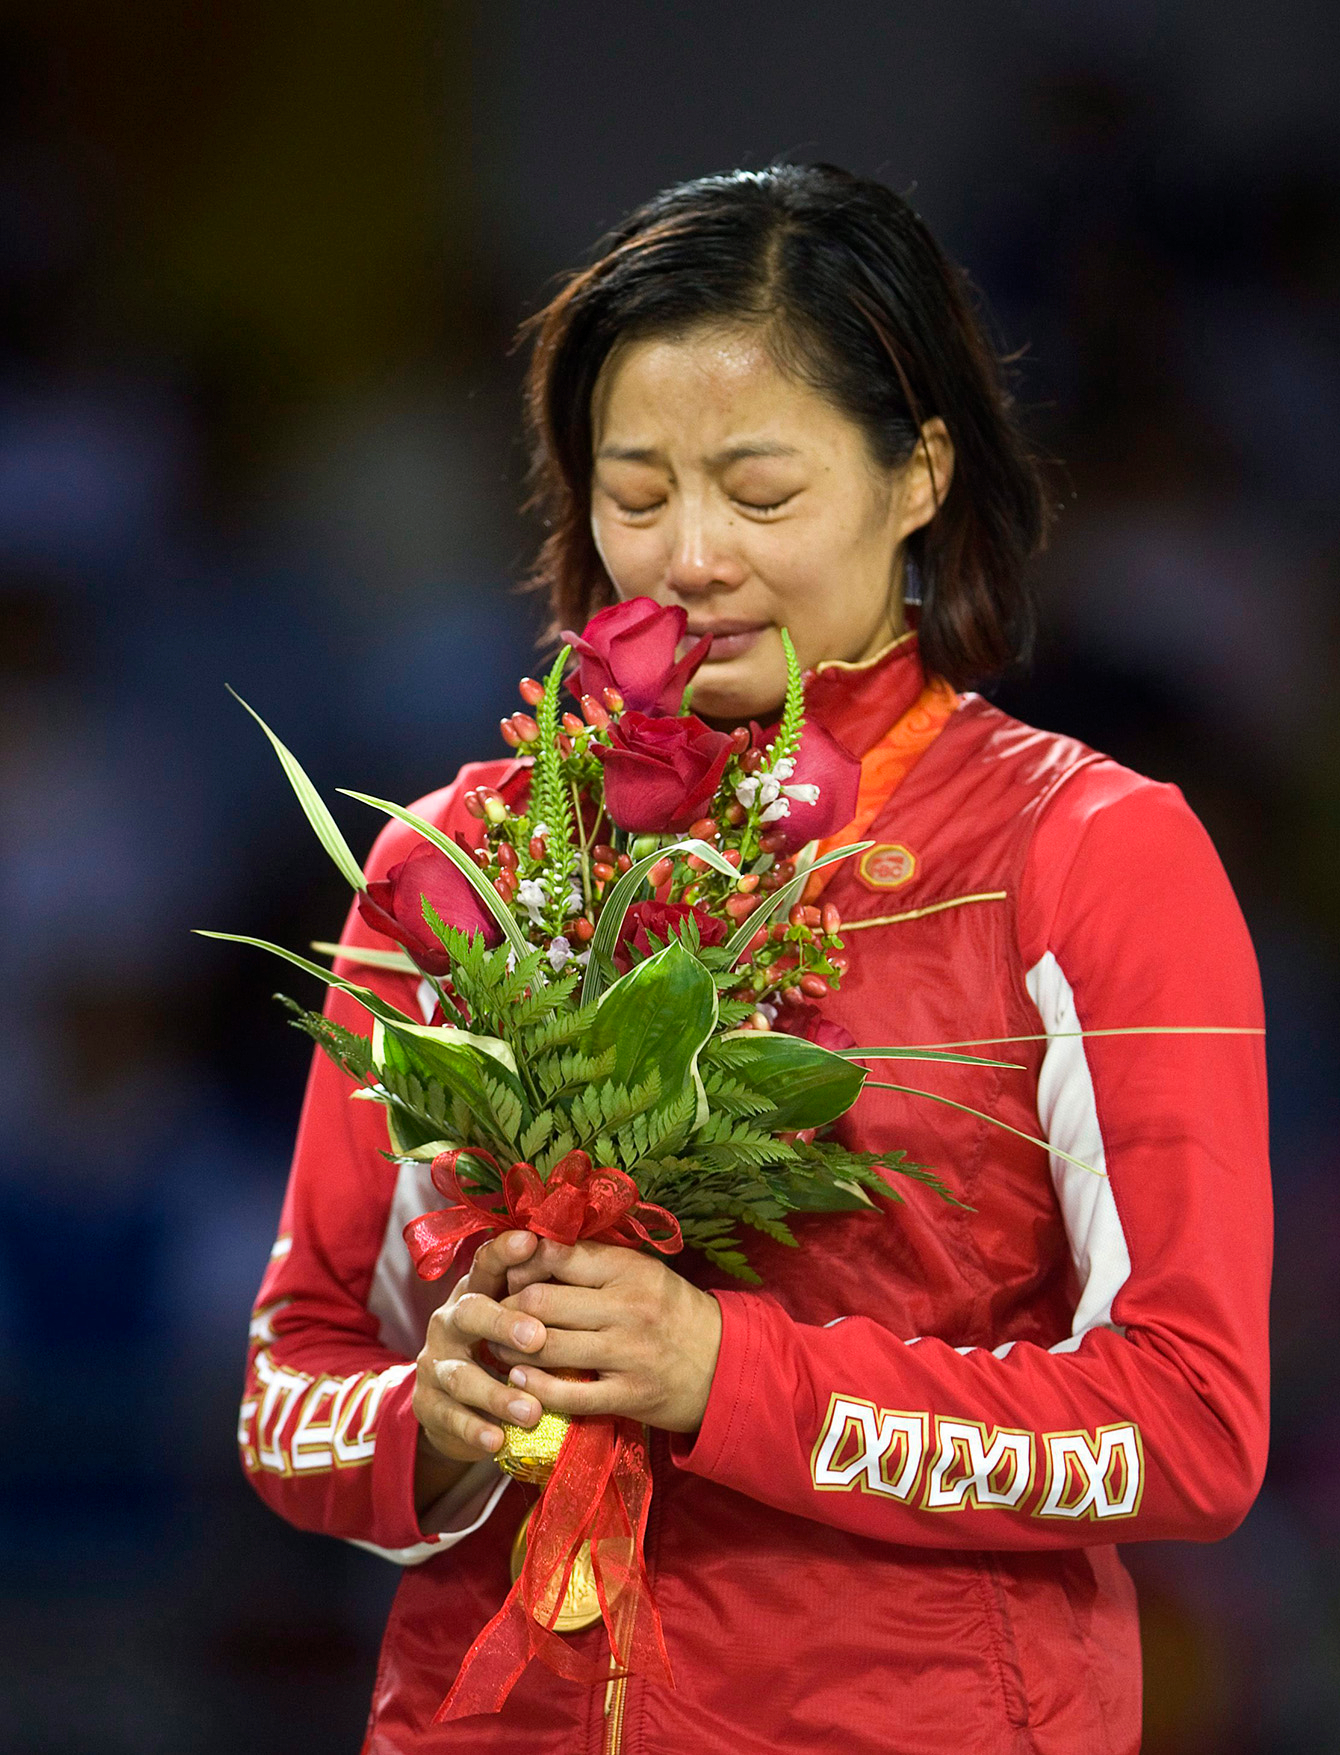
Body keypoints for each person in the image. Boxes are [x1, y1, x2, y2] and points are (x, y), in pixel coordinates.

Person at [238, 165, 1271, 1754]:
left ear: (919, 472)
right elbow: (287, 1388)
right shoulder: (458, 863)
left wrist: (728, 1371)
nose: (689, 557)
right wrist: (432, 1419)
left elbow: (1194, 1426)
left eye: (760, 493)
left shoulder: (1088, 853)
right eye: (636, 492)